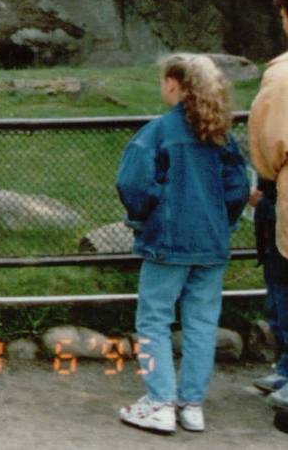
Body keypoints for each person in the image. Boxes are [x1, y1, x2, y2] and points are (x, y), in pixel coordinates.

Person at [115, 54, 250, 435]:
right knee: (202, 323)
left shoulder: (158, 132)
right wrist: (222, 224)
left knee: (154, 320)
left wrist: (144, 217)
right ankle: (191, 404)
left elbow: (132, 184)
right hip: (211, 244)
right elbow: (237, 189)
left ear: (173, 84)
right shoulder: (220, 136)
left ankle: (159, 401)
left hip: (167, 243)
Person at [253, 0, 288, 414]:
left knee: (282, 279)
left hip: (282, 185)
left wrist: (264, 179)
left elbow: (271, 140)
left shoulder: (281, 76)